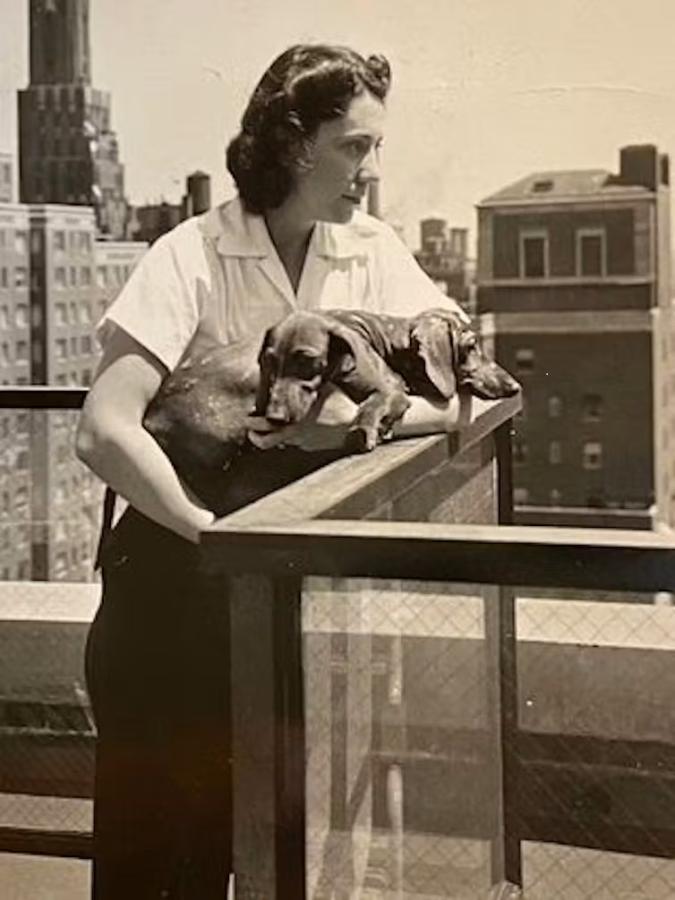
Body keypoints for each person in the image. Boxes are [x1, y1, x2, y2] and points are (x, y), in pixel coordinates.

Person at [76, 43, 469, 899]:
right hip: (174, 586)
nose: (370, 169)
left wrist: (343, 432)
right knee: (159, 862)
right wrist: (219, 539)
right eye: (354, 147)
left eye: (375, 148)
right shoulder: (190, 254)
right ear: (293, 144)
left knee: (290, 859)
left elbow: (460, 383)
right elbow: (105, 432)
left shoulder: (371, 250)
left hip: (299, 602)